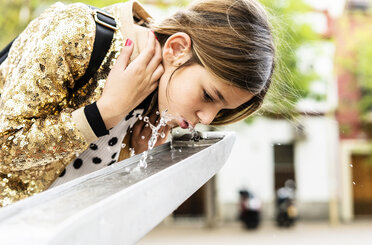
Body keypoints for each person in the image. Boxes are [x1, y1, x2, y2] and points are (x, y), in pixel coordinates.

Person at [0, 0, 275, 207]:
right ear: (177, 49)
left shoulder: (158, 106)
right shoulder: (79, 33)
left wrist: (137, 159)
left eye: (223, 110)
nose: (206, 118)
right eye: (209, 96)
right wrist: (104, 113)